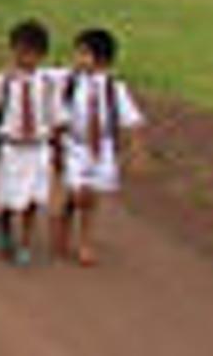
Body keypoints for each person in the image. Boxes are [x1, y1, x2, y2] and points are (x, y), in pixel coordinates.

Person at [55, 26, 147, 268]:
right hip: (75, 145)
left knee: (93, 196)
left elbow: (132, 121)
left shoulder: (114, 88)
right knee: (78, 193)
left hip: (102, 148)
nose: (77, 59)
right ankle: (66, 215)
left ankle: (85, 241)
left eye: (83, 54)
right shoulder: (71, 82)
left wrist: (136, 152)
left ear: (101, 59)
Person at [0, 19, 62, 265]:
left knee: (33, 199)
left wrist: (57, 146)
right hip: (12, 148)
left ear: (42, 55)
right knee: (10, 196)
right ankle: (3, 220)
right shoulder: (3, 81)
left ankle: (25, 243)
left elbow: (56, 116)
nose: (25, 58)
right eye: (19, 51)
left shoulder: (48, 84)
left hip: (38, 148)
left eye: (31, 53)